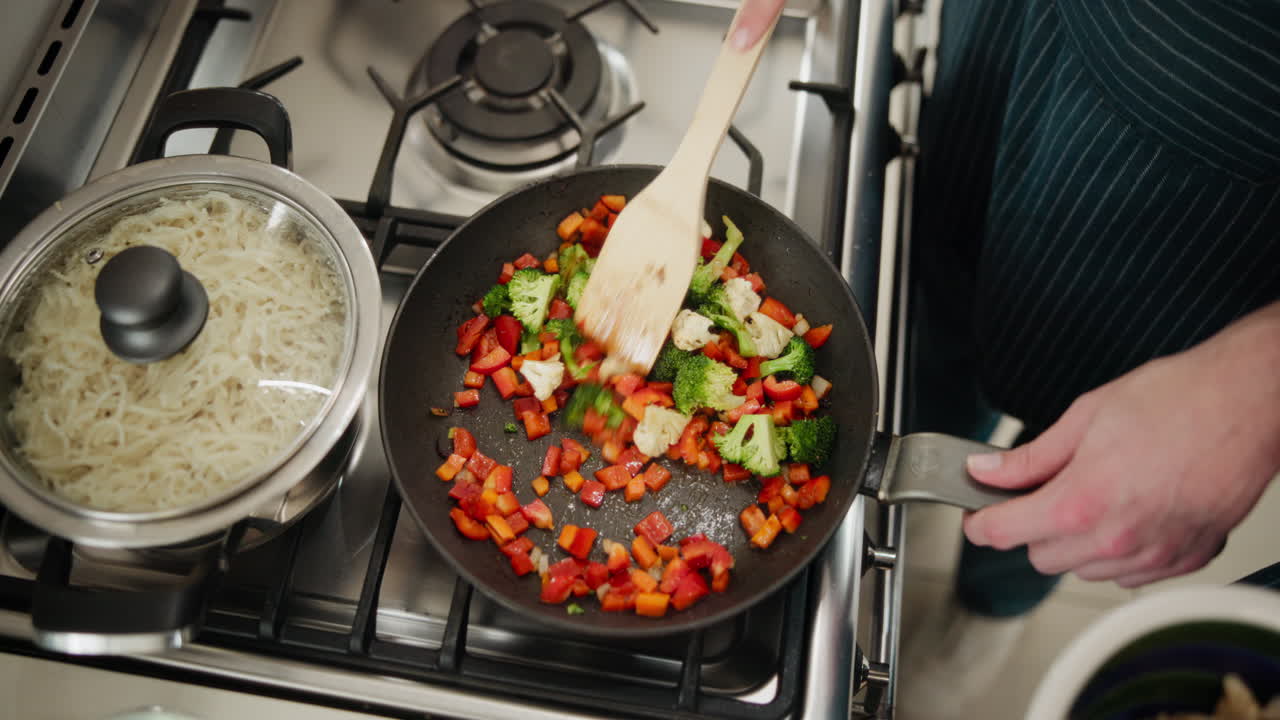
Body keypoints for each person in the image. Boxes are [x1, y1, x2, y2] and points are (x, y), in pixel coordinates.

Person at [734, 0, 1280, 712]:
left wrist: (1261, 382)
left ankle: (991, 606)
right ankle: (916, 463)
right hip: (1021, 24)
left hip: (1224, 156)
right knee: (941, 297)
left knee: (1078, 464)